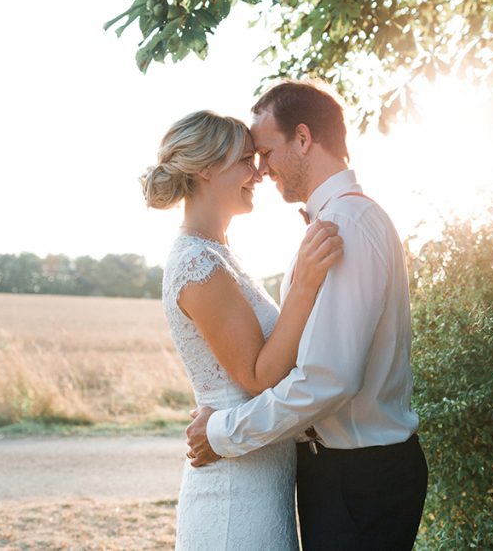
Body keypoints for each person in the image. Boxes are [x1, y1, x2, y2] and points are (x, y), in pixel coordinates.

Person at [185, 80, 428, 550]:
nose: (260, 168)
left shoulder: (348, 225)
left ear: (302, 138)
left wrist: (223, 432)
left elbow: (327, 379)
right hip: (344, 472)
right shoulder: (335, 221)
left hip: (360, 476)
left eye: (265, 151)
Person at [142, 110, 344, 550]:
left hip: (257, 476)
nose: (258, 173)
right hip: (234, 495)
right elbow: (256, 375)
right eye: (245, 161)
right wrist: (305, 285)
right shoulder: (198, 264)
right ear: (206, 168)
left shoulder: (219, 254)